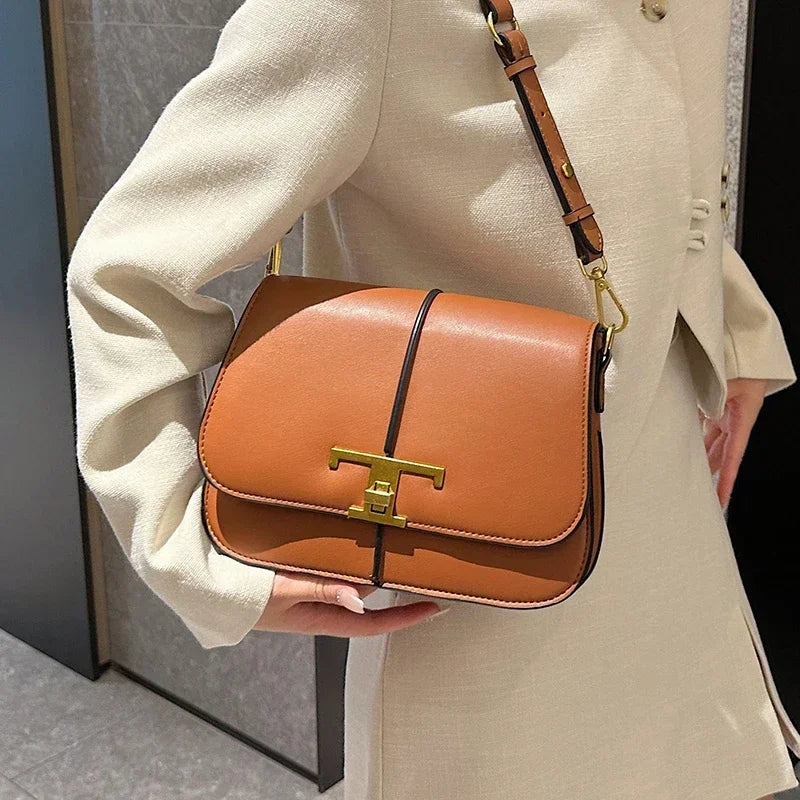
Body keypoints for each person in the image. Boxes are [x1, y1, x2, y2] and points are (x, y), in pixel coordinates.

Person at [65, 0, 799, 798]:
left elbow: (672, 171)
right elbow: (128, 272)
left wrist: (734, 330)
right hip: (476, 580)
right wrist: (184, 547)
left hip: (671, 519)